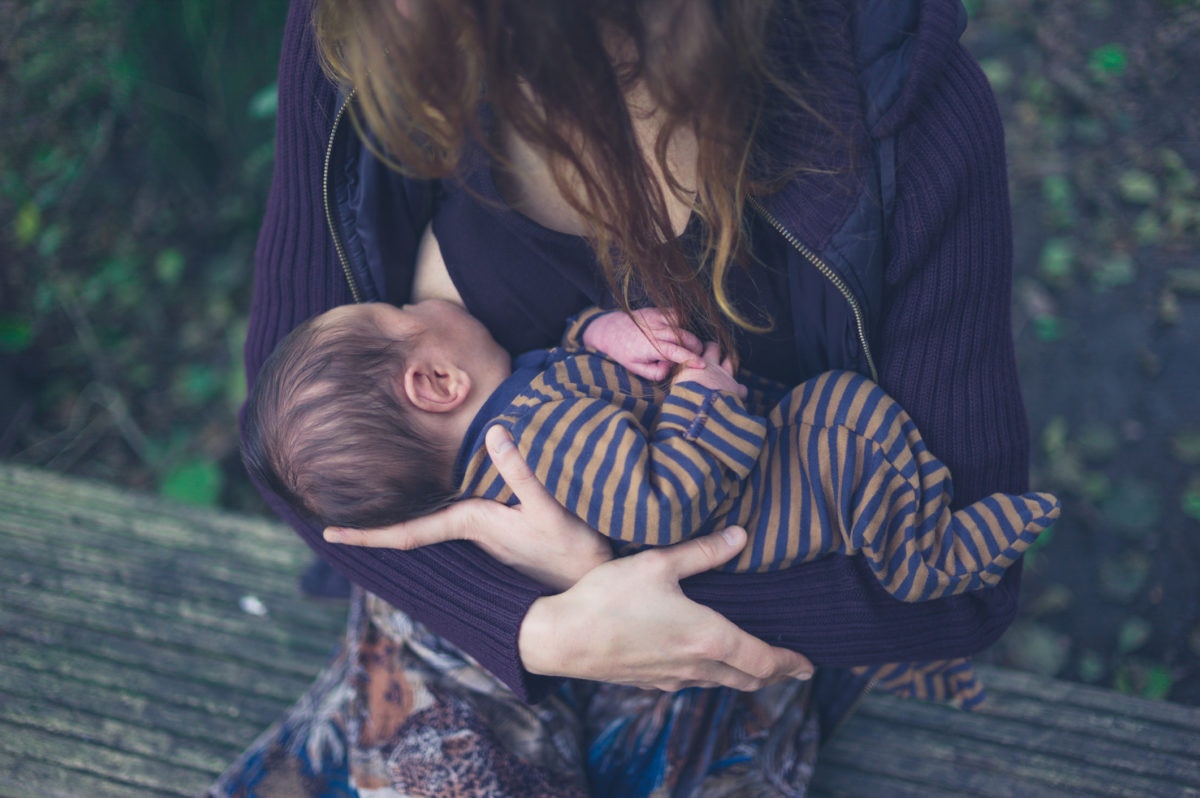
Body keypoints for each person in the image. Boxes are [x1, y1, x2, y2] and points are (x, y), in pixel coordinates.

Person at [212, 0, 1034, 794]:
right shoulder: (376, 25)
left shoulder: (899, 121)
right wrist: (533, 624)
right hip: (451, 604)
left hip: (717, 650)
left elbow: (963, 589)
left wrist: (608, 581)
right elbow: (298, 458)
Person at [244, 298, 1058, 604]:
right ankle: (925, 556)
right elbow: (661, 504)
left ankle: (921, 523)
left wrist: (598, 332)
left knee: (851, 419)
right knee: (848, 419)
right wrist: (702, 403)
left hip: (767, 479)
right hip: (781, 495)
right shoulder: (541, 436)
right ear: (435, 381)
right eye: (399, 307)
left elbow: (564, 370)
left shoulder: (517, 414)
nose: (425, 296)